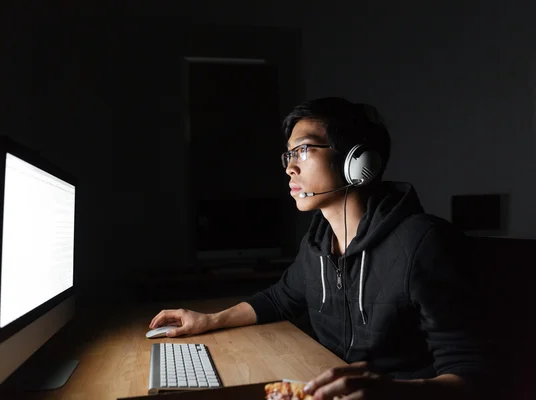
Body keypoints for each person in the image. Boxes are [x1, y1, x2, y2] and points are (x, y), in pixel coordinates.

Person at [149, 97, 493, 399]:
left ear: (357, 162)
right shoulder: (317, 244)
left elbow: (472, 377)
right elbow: (280, 298)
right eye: (288, 153)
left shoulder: (424, 243)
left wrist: (392, 391)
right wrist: (209, 320)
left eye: (303, 150)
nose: (289, 167)